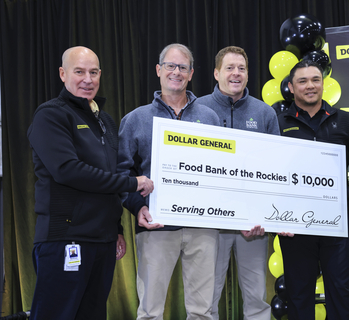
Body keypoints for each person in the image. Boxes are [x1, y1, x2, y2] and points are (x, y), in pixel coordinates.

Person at [117, 43, 263, 320]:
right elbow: (122, 174)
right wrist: (138, 207)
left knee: (203, 311)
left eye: (182, 67)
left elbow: (223, 171)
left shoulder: (209, 119)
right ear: (159, 70)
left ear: (192, 73)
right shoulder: (136, 119)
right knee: (150, 311)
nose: (176, 72)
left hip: (203, 228)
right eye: (170, 66)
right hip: (156, 226)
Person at [27, 46, 154, 320]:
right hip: (65, 240)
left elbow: (107, 179)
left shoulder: (105, 121)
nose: (88, 79)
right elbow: (68, 171)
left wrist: (117, 228)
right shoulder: (50, 115)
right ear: (63, 74)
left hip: (103, 242)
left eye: (94, 72)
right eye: (79, 72)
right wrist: (132, 183)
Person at [196, 46, 279, 320]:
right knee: (205, 298)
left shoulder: (265, 113)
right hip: (209, 224)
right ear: (216, 73)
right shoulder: (197, 108)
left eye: (241, 68)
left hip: (253, 225)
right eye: (229, 68)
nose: (236, 73)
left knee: (257, 298)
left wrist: (263, 214)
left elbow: (275, 169)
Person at [277, 60, 349, 320]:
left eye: (315, 79)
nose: (310, 86)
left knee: (341, 292)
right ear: (290, 86)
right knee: (299, 295)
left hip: (338, 226)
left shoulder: (345, 121)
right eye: (302, 81)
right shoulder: (277, 124)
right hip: (295, 226)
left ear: (324, 83)